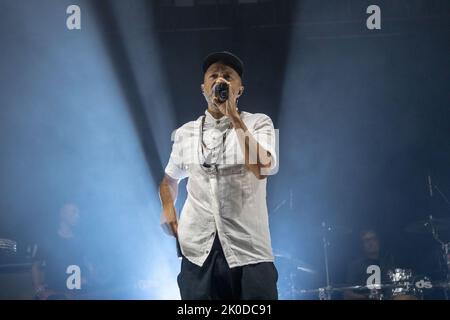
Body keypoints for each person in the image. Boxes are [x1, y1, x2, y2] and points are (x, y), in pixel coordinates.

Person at [159, 51, 279, 300]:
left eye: (228, 76)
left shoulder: (258, 123)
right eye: (213, 75)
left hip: (249, 250)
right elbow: (169, 180)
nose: (220, 80)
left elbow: (261, 168)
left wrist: (233, 116)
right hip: (198, 251)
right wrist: (167, 207)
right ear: (203, 88)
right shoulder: (185, 133)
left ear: (240, 89)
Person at [31, 203, 93, 299]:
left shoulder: (81, 239)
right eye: (73, 212)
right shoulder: (49, 239)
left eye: (78, 213)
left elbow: (87, 263)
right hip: (55, 292)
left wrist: (88, 278)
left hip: (76, 293)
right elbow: (36, 266)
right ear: (62, 214)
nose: (77, 216)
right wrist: (38, 289)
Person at [344, 229, 394, 300]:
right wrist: (368, 297)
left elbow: (393, 288)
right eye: (367, 240)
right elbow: (347, 294)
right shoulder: (355, 266)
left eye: (373, 239)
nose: (371, 243)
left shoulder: (387, 263)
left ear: (378, 241)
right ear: (362, 245)